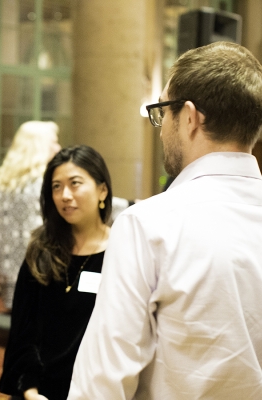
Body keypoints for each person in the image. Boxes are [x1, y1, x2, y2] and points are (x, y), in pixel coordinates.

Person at [68, 41, 262, 399]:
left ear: (190, 117)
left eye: (162, 113)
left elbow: (103, 382)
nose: (159, 129)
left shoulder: (148, 225)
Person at [0, 145, 113, 400]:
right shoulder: (42, 248)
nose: (65, 195)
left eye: (75, 183)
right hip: (39, 390)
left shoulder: (121, 251)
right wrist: (29, 390)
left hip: (97, 389)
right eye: (56, 187)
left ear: (102, 189)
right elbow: (23, 328)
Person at [0, 120, 61, 310]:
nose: (58, 147)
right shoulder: (45, 184)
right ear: (40, 146)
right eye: (53, 142)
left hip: (9, 272)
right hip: (40, 271)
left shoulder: (4, 183)